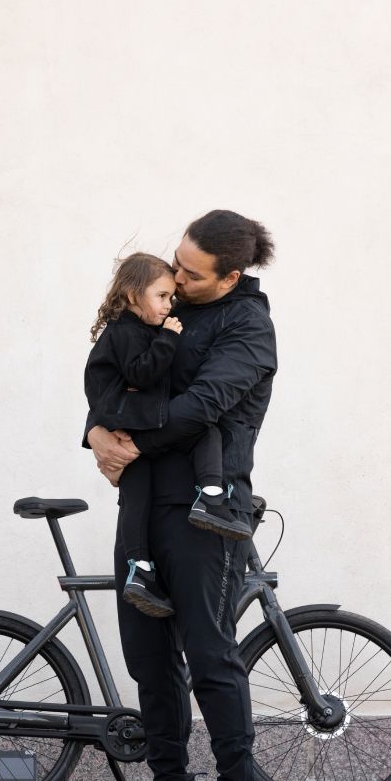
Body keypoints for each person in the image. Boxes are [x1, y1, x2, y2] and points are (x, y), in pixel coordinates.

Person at [90, 210, 277, 781]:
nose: (174, 276)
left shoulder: (248, 329)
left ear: (229, 275)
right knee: (147, 656)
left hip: (205, 514)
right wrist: (94, 430)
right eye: (175, 262)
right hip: (141, 504)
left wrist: (126, 438)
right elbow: (116, 365)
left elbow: (201, 406)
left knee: (209, 657)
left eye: (190, 273)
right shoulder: (168, 304)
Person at [83, 253, 252, 618]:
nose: (169, 303)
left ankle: (139, 569)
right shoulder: (129, 331)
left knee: (135, 494)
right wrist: (168, 339)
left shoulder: (130, 327)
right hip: (131, 415)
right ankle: (210, 495)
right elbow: (141, 374)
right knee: (204, 430)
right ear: (131, 296)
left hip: (124, 417)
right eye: (162, 296)